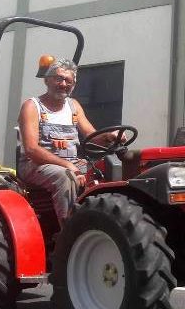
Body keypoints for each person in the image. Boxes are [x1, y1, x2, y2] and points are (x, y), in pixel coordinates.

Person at [17, 55, 118, 227]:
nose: (63, 84)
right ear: (47, 80)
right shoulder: (32, 106)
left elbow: (91, 135)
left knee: (108, 170)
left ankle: (104, 224)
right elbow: (32, 149)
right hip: (35, 164)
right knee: (66, 177)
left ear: (73, 85)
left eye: (68, 80)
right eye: (58, 79)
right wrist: (67, 165)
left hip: (72, 163)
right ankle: (69, 232)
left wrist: (110, 136)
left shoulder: (74, 106)